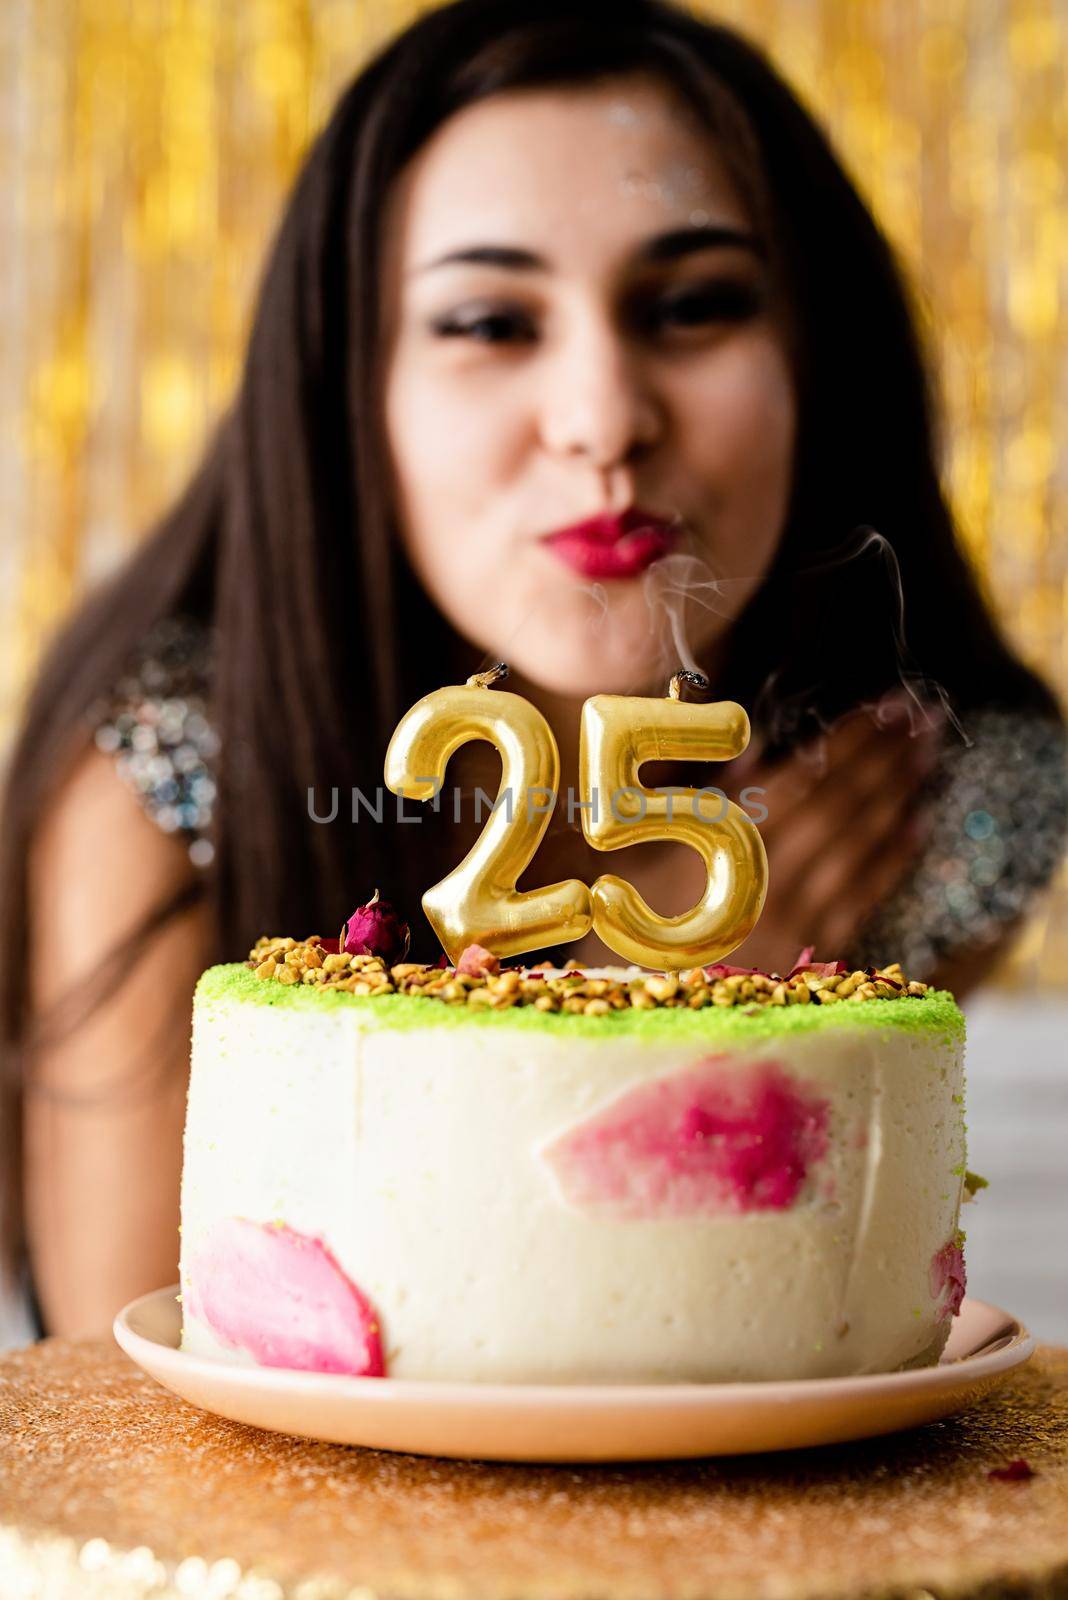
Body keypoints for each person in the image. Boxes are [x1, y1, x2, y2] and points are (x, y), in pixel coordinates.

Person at [0, 0, 1064, 1342]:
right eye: (490, 321)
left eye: (694, 305)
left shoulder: (926, 790)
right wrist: (673, 993)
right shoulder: (169, 769)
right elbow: (134, 1414)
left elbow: (769, 1330)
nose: (604, 415)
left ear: (816, 355)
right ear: (352, 392)